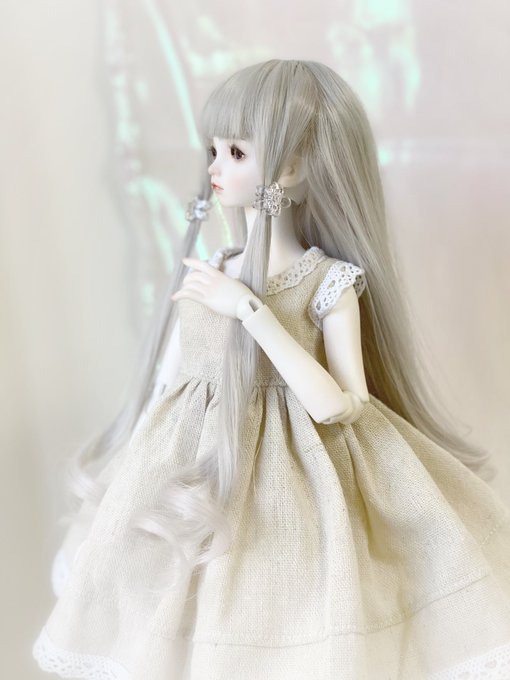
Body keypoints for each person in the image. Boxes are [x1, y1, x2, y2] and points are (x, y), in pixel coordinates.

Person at [33, 59, 510, 680]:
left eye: (235, 152)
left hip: (299, 486)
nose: (214, 167)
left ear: (294, 167)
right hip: (197, 478)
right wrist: (132, 468)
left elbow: (342, 404)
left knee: (286, 617)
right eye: (213, 150)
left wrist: (250, 311)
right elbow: (167, 386)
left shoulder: (328, 283)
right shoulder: (209, 272)